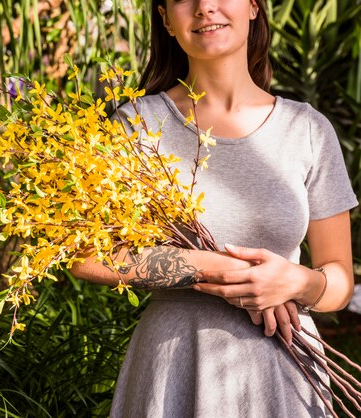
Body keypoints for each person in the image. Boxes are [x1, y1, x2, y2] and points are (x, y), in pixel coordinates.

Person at [69, 0, 358, 416]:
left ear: (254, 7)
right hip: (173, 369)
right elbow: (88, 257)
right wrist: (219, 269)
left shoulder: (308, 130)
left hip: (287, 374)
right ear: (166, 19)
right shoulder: (135, 126)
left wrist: (296, 281)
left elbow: (339, 280)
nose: (205, 7)